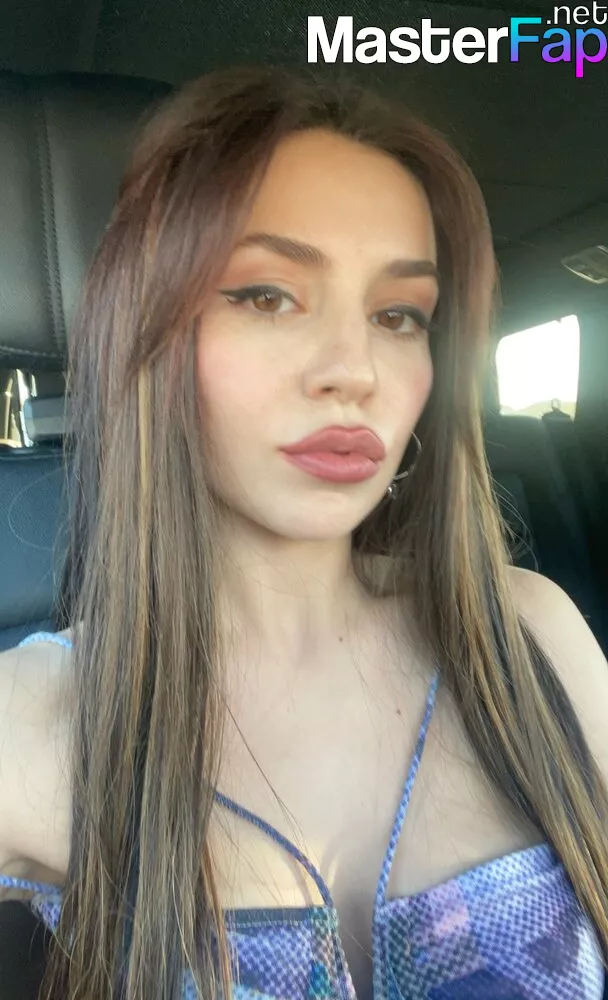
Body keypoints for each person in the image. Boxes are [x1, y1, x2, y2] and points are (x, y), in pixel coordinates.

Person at [1, 64, 608, 1000]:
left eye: (398, 315)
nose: (354, 370)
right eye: (267, 295)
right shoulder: (34, 718)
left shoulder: (529, 637)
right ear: (148, 332)